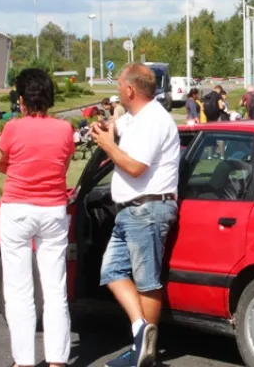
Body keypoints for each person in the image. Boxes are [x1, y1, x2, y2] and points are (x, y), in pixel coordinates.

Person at [90, 63, 180, 367]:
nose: (116, 91)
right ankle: (142, 333)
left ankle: (145, 353)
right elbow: (119, 125)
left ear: (130, 89)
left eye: (118, 86)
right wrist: (107, 130)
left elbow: (135, 166)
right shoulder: (137, 119)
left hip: (148, 209)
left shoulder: (154, 119)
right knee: (111, 271)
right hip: (131, 210)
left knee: (147, 283)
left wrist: (107, 145)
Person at [0, 68, 75, 367]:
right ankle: (57, 360)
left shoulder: (13, 128)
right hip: (53, 209)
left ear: (21, 99)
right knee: (55, 289)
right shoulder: (64, 129)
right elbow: (63, 165)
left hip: (17, 208)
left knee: (18, 289)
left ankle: (24, 360)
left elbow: (0, 162)